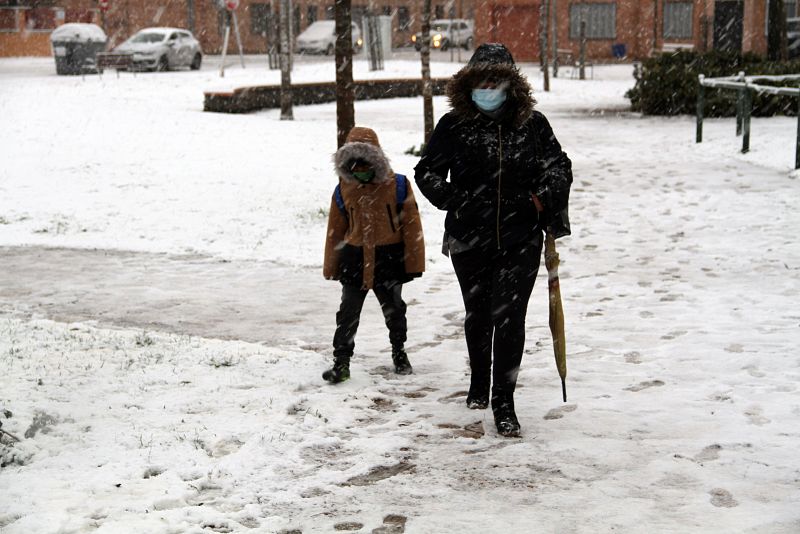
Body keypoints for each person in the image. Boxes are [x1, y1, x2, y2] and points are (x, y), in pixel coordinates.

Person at [413, 43, 572, 437]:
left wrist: (540, 198)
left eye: (495, 81)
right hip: (469, 239)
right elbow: (426, 172)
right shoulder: (453, 126)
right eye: (480, 81)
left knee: (511, 318)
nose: (487, 88)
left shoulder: (533, 125)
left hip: (520, 238)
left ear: (510, 85)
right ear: (468, 83)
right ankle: (478, 383)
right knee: (478, 313)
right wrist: (457, 201)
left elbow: (560, 168)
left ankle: (504, 401)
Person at [322, 126, 426, 383]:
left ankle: (399, 351)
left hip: (388, 260)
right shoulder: (343, 189)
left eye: (366, 163)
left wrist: (413, 262)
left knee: (394, 311)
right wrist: (331, 266)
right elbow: (335, 230)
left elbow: (412, 225)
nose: (360, 169)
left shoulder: (398, 184)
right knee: (347, 313)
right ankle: (341, 362)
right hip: (354, 260)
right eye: (354, 164)